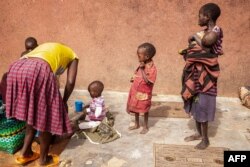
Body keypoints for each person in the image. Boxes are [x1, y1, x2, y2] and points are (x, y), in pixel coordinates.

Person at [6, 42, 78, 165]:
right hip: (38, 68)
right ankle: (43, 159)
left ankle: (25, 152)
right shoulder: (73, 56)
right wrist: (64, 101)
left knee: (32, 113)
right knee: (47, 116)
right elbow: (70, 82)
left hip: (17, 67)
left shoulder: (48, 48)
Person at [181, 3, 223, 150]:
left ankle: (205, 140)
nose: (198, 18)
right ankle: (199, 134)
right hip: (196, 75)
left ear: (208, 17)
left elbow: (206, 44)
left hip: (207, 79)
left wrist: (193, 37)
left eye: (200, 15)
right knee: (197, 105)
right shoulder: (204, 31)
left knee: (203, 107)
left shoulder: (215, 31)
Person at [127, 43, 157, 134]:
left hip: (144, 92)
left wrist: (143, 69)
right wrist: (133, 77)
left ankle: (146, 126)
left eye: (139, 55)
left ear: (147, 56)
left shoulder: (152, 68)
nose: (137, 57)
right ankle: (137, 124)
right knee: (135, 108)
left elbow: (149, 81)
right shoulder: (142, 64)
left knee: (144, 109)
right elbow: (137, 73)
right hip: (135, 90)